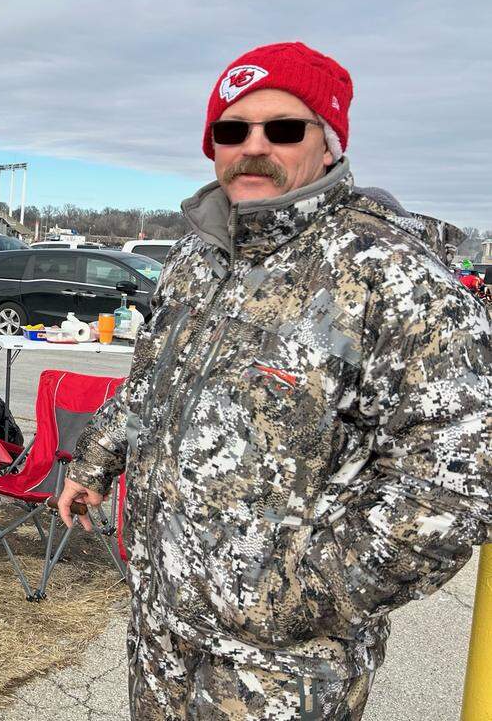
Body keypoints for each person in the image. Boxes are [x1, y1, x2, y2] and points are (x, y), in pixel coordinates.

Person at [58, 42, 492, 720]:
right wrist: (95, 461)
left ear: (329, 143)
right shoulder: (195, 257)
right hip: (162, 634)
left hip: (281, 676)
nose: (253, 146)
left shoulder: (391, 276)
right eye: (232, 131)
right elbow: (152, 382)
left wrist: (296, 593)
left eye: (283, 128)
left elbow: (452, 487)